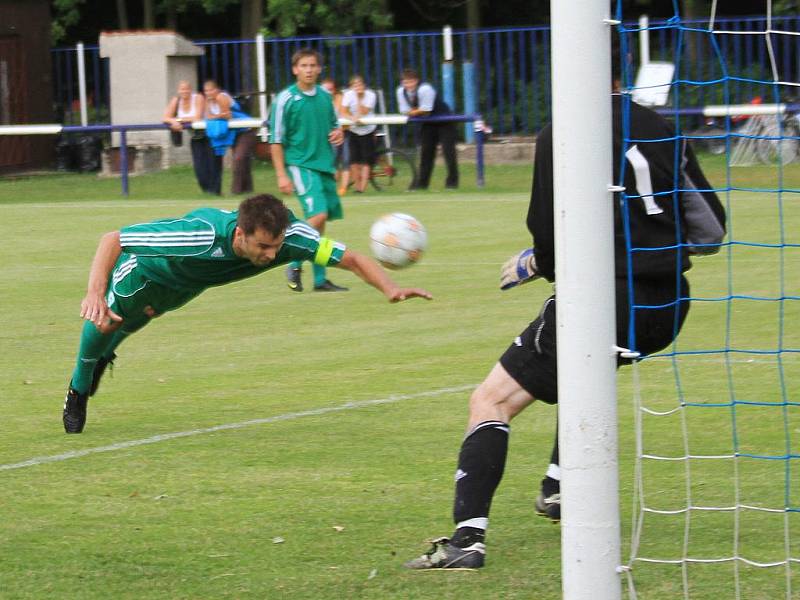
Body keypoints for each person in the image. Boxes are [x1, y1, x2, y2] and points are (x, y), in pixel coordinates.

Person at [404, 89, 726, 569]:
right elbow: (712, 231)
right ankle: (559, 488)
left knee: (489, 401)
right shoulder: (664, 127)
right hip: (668, 307)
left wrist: (536, 262)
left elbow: (546, 229)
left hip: (602, 301)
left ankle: (465, 542)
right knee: (586, 375)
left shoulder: (565, 131)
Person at [62, 194, 432, 434]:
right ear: (240, 234)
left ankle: (102, 357)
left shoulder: (292, 240)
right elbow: (113, 239)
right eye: (263, 246)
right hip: (146, 271)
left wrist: (390, 288)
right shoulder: (201, 235)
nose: (272, 255)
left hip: (187, 286)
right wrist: (95, 292)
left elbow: (349, 258)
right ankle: (78, 388)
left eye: (277, 246)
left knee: (134, 323)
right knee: (106, 322)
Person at [269, 48, 347, 293]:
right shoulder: (286, 99)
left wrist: (338, 133)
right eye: (304, 66)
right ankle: (292, 262)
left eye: (313, 65)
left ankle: (320, 279)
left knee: (321, 224)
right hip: (300, 165)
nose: (309, 69)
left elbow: (335, 127)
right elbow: (275, 140)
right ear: (295, 70)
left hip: (323, 165)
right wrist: (282, 174)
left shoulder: (325, 96)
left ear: (319, 68)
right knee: (319, 215)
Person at [395, 67, 458, 190]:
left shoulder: (425, 89)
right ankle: (422, 184)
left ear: (416, 81)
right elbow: (404, 111)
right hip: (428, 122)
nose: (408, 85)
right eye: (405, 82)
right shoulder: (400, 91)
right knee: (426, 154)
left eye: (411, 81)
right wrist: (414, 112)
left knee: (448, 152)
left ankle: (452, 183)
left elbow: (426, 109)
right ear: (402, 82)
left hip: (444, 120)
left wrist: (413, 112)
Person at [203, 79, 257, 196]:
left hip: (247, 129)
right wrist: (217, 116)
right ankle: (247, 190)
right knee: (242, 160)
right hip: (234, 132)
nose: (208, 93)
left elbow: (227, 115)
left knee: (239, 158)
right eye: (206, 91)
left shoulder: (221, 97)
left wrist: (215, 116)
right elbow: (208, 116)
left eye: (211, 90)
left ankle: (235, 191)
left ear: (217, 90)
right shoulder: (208, 102)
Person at [163, 80, 216, 194]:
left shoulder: (198, 98)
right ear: (178, 90)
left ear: (190, 90)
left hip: (209, 136)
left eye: (187, 88)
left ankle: (214, 191)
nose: (184, 91)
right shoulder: (176, 100)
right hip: (196, 137)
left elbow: (197, 117)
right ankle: (206, 191)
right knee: (199, 168)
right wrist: (173, 122)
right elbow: (165, 117)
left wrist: (178, 120)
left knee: (212, 165)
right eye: (182, 89)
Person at [340, 74, 378, 193]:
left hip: (368, 130)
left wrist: (359, 97)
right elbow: (343, 111)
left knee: (367, 160)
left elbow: (364, 111)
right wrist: (351, 118)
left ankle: (363, 188)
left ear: (364, 85)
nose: (357, 87)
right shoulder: (347, 95)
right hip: (354, 130)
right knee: (354, 160)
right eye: (354, 85)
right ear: (351, 86)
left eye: (359, 84)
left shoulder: (371, 95)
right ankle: (358, 188)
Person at [321, 77, 351, 196]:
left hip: (345, 133)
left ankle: (343, 188)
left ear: (334, 89)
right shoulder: (319, 101)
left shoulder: (342, 98)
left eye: (330, 89)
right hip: (330, 135)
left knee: (346, 160)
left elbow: (345, 113)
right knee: (332, 162)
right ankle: (331, 187)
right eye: (325, 89)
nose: (328, 92)